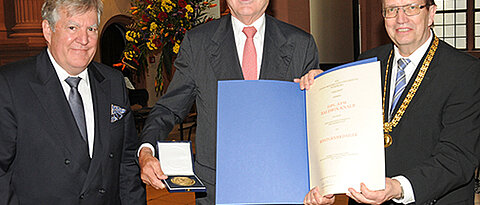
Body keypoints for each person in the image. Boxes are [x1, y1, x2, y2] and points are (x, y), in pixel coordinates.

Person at [138, 0, 319, 203]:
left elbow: (314, 123)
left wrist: (323, 92)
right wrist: (146, 150)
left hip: (282, 186)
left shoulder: (301, 44)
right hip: (216, 190)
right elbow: (169, 108)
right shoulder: (197, 42)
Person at [301, 0, 480, 204]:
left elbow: (458, 157)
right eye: (391, 10)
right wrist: (322, 87)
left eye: (411, 8)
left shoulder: (465, 72)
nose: (400, 18)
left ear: (431, 13)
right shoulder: (365, 63)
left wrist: (399, 187)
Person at [0, 0, 146, 204]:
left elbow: (127, 161)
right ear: (48, 30)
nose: (84, 39)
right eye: (72, 27)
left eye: (91, 29)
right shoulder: (10, 84)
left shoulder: (113, 82)